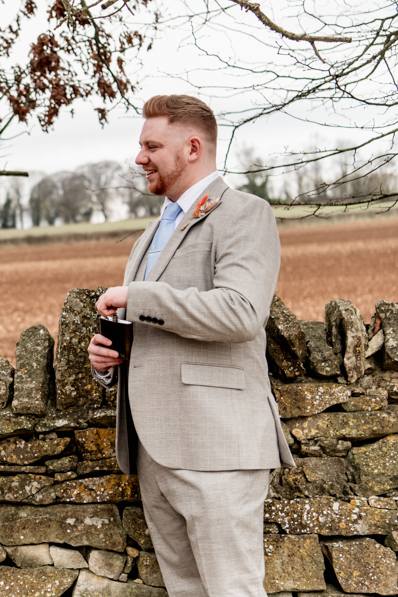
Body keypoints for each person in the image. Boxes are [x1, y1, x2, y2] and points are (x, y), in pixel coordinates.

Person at [86, 95, 294, 597]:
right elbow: (155, 331)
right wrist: (109, 361)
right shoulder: (150, 235)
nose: (140, 158)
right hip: (155, 451)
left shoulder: (245, 214)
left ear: (193, 147)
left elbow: (241, 313)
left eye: (152, 145)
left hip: (217, 447)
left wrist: (140, 297)